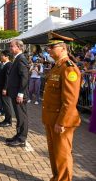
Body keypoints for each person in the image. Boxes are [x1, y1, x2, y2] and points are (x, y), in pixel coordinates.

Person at [42, 32, 81, 181]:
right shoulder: (57, 67)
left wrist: (62, 122)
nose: (49, 50)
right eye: (48, 47)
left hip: (61, 121)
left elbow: (70, 100)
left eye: (52, 47)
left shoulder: (69, 68)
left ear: (63, 48)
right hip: (52, 118)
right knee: (53, 153)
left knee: (62, 154)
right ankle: (56, 177)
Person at [4, 39, 29, 147]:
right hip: (15, 92)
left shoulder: (21, 59)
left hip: (19, 94)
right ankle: (18, 135)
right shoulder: (17, 58)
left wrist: (21, 93)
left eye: (11, 46)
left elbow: (24, 77)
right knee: (18, 116)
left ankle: (22, 138)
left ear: (18, 47)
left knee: (21, 116)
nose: (10, 48)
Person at [0, 50, 13, 127]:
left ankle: (9, 121)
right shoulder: (5, 64)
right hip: (2, 88)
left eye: (2, 55)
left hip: (5, 89)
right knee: (4, 104)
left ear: (7, 56)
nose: (1, 57)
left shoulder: (9, 65)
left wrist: (5, 88)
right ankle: (6, 119)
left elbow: (8, 78)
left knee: (7, 105)